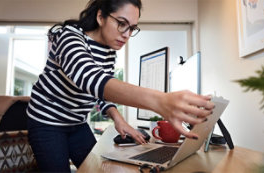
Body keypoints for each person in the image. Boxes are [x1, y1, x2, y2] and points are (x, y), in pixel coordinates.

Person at [26, 0, 215, 172]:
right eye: (121, 24)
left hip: (77, 122)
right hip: (47, 122)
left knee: (95, 169)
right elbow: (88, 77)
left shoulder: (109, 51)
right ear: (101, 16)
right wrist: (160, 101)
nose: (126, 35)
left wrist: (118, 118)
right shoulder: (69, 37)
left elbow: (101, 91)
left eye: (132, 28)